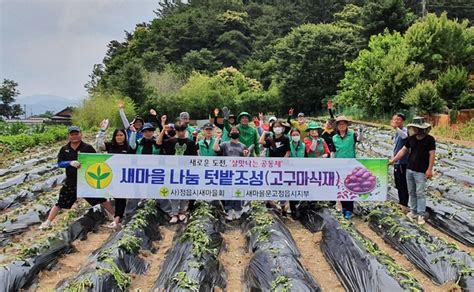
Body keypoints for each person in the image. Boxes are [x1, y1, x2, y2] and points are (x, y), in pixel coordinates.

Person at [39, 126, 115, 230]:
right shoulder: (64, 149)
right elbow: (60, 163)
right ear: (69, 136)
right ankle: (48, 222)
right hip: (71, 181)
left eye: (76, 134)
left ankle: (116, 218)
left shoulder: (87, 148)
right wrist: (69, 163)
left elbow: (96, 161)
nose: (74, 136)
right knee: (61, 203)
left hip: (87, 181)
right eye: (72, 134)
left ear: (81, 135)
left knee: (102, 199)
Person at [389, 117, 436, 225]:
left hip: (421, 171)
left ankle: (421, 214)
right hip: (409, 169)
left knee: (420, 193)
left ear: (422, 128)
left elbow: (432, 155)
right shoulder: (412, 138)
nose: (415, 129)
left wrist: (429, 169)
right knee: (411, 192)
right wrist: (393, 160)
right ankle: (413, 211)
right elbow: (403, 151)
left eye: (417, 127)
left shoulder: (430, 139)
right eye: (414, 127)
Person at [157, 121, 198, 223]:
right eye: (178, 130)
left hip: (186, 171)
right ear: (175, 130)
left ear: (185, 130)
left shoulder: (190, 143)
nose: (181, 132)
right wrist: (163, 129)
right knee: (174, 191)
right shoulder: (170, 141)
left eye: (182, 130)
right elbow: (158, 143)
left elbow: (194, 158)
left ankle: (182, 212)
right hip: (173, 171)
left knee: (184, 192)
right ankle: (174, 213)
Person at [95, 119, 133, 229]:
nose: (119, 137)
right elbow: (98, 146)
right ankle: (118, 218)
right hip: (111, 175)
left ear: (125, 136)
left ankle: (117, 219)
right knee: (115, 197)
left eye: (121, 135)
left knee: (120, 198)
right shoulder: (110, 146)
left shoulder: (128, 147)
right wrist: (102, 130)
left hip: (124, 176)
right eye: (117, 135)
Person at [213, 126, 249, 220]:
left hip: (238, 172)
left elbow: (245, 161)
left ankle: (238, 209)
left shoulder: (242, 146)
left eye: (236, 130)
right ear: (229, 134)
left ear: (239, 133)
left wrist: (246, 156)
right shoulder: (225, 144)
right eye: (232, 130)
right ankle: (229, 210)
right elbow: (216, 149)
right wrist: (218, 137)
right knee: (228, 191)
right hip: (227, 172)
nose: (234, 132)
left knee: (238, 190)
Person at [331, 116, 363, 220]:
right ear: (337, 126)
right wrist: (331, 162)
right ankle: (344, 208)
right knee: (341, 187)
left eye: (343, 124)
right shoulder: (334, 137)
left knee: (350, 187)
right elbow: (333, 151)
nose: (341, 126)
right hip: (339, 165)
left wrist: (360, 132)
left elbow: (359, 139)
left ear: (346, 125)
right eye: (339, 124)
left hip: (350, 164)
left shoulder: (352, 135)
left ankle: (349, 210)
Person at [390, 113, 409, 207]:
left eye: (398, 119)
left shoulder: (405, 130)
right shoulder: (397, 132)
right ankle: (402, 202)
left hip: (403, 162)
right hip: (397, 161)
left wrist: (396, 128)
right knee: (398, 183)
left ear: (402, 121)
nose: (395, 121)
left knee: (403, 184)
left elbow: (405, 136)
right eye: (394, 119)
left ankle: (404, 203)